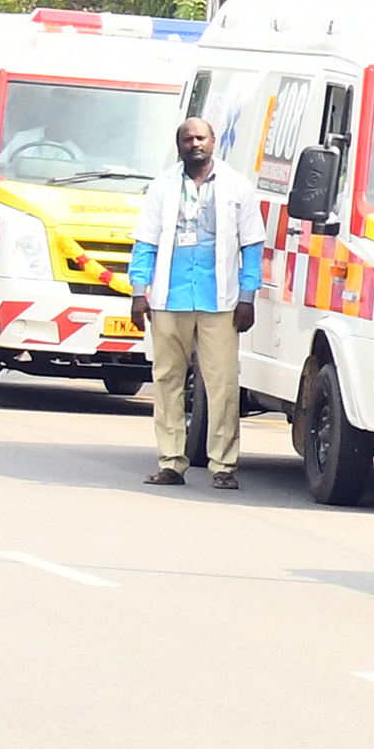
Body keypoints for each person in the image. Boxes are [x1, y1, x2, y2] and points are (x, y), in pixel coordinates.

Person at [126, 112, 263, 486]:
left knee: (221, 385)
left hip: (219, 301)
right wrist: (140, 293)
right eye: (188, 139)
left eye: (201, 138)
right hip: (169, 299)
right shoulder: (163, 187)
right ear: (180, 145)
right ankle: (171, 461)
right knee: (167, 380)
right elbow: (145, 243)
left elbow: (252, 246)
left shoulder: (237, 187)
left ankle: (223, 466)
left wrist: (248, 297)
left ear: (213, 141)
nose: (195, 144)